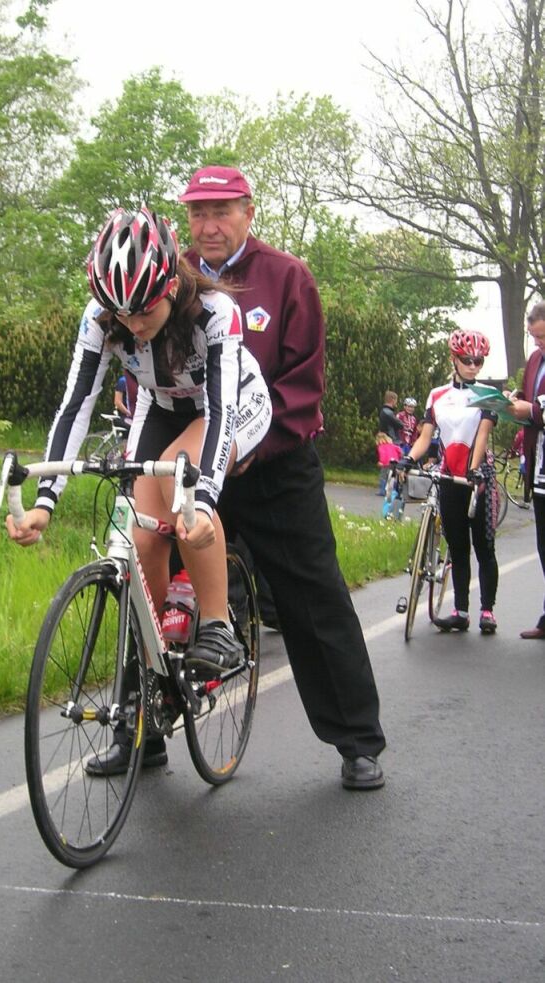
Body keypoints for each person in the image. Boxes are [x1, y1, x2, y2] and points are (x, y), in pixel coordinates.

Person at [6, 205, 272, 774]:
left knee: (179, 484)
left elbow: (220, 413)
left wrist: (202, 501)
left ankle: (217, 624)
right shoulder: (102, 316)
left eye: (143, 310)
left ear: (171, 284)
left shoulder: (215, 312)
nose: (130, 324)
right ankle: (153, 695)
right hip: (161, 404)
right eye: (119, 313)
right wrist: (45, 501)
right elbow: (75, 406)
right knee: (141, 537)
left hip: (233, 404)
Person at [178, 164, 386, 790]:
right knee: (152, 578)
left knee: (312, 598)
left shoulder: (287, 276)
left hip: (273, 466)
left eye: (222, 212)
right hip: (194, 461)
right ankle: (139, 728)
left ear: (248, 212)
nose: (209, 226)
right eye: (197, 213)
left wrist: (251, 445)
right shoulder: (173, 276)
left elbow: (302, 384)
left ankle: (357, 741)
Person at [398, 329, 499, 634]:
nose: (473, 366)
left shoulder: (487, 394)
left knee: (484, 548)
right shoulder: (437, 395)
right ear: (454, 359)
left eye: (479, 361)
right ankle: (461, 611)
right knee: (458, 546)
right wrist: (407, 459)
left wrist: (473, 469)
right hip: (448, 477)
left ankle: (487, 611)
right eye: (468, 360)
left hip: (478, 478)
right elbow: (425, 437)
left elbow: (482, 436)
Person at [510, 302, 545, 638]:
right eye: (534, 337)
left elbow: (536, 408)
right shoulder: (534, 360)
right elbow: (528, 395)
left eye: (543, 337)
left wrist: (531, 410)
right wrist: (513, 400)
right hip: (539, 466)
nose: (538, 343)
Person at [377, 391, 404, 493]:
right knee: (390, 467)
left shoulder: (385, 411)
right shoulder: (388, 412)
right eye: (396, 400)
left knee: (388, 468)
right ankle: (388, 488)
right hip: (391, 440)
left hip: (388, 439)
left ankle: (386, 488)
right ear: (392, 400)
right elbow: (400, 424)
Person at [376, 433, 404, 520]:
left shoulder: (381, 447)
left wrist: (381, 462)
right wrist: (399, 458)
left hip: (386, 463)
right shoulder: (393, 445)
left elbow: (383, 454)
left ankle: (382, 490)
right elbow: (400, 451)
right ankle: (393, 489)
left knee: (383, 477)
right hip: (395, 462)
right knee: (393, 477)